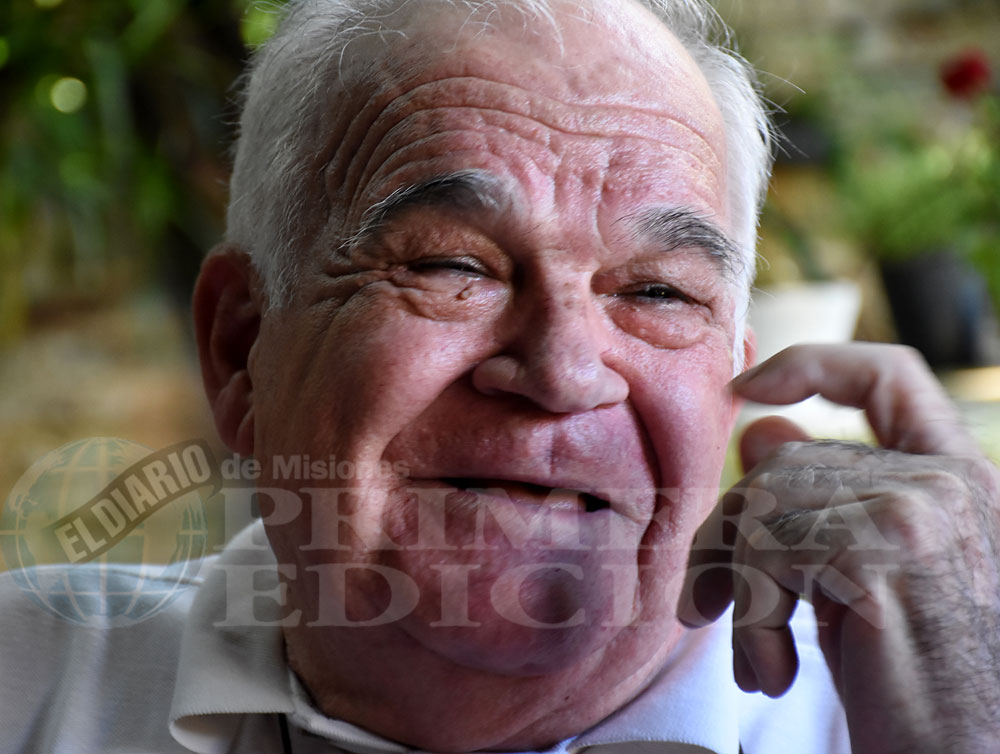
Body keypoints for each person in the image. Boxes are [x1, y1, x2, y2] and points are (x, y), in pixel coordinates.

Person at [2, 0, 999, 752]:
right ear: (239, 349)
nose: (563, 371)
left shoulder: (924, 714)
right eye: (454, 265)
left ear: (733, 385)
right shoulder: (29, 680)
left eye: (656, 292)